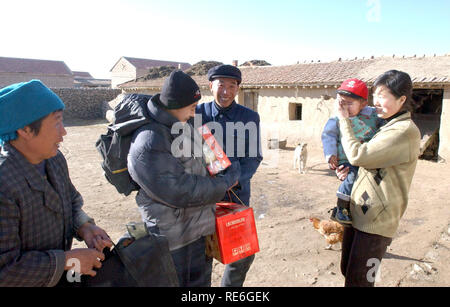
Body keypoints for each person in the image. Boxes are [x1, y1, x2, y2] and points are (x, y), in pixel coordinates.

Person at [127, 70, 241, 287]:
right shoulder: (150, 141)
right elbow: (180, 191)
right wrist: (224, 183)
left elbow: (210, 156)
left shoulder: (188, 124)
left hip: (198, 230)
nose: (194, 110)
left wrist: (225, 166)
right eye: (192, 105)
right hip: (172, 240)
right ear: (174, 104)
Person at [0, 80, 112, 287]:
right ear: (25, 129)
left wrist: (85, 227)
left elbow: (70, 201)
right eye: (57, 122)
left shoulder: (54, 159)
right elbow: (5, 270)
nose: (64, 132)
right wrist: (68, 260)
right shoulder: (4, 182)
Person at [335, 70, 421, 287]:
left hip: (377, 222)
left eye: (383, 96)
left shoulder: (403, 131)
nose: (376, 102)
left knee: (360, 281)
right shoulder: (385, 125)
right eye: (375, 95)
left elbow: (359, 155)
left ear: (402, 99)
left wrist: (344, 122)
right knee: (349, 271)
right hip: (360, 213)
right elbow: (366, 163)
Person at [196, 64, 263, 287]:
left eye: (232, 86)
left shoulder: (250, 117)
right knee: (202, 251)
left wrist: (236, 179)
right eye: (221, 85)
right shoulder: (197, 114)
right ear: (210, 86)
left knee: (242, 253)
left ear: (238, 89)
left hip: (237, 194)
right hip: (202, 196)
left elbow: (254, 157)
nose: (226, 91)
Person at [322, 78, 384, 225]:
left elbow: (385, 126)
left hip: (368, 158)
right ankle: (341, 208)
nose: (344, 107)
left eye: (349, 103)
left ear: (363, 103)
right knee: (350, 178)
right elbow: (328, 136)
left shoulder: (373, 115)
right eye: (341, 102)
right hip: (347, 159)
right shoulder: (336, 119)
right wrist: (331, 155)